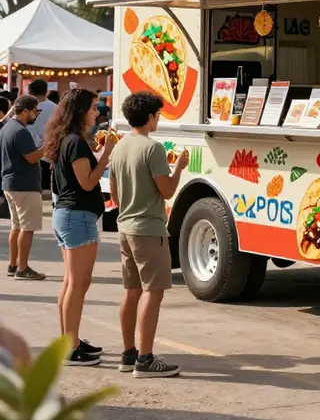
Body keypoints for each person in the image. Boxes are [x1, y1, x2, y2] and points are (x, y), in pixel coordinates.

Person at [110, 91, 187, 378]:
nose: (159, 119)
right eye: (158, 114)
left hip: (125, 227)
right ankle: (145, 358)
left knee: (131, 292)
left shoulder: (119, 147)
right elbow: (167, 191)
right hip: (149, 228)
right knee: (153, 294)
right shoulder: (152, 149)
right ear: (150, 116)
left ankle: (128, 353)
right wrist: (178, 168)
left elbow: (115, 195)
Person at [45, 88, 115, 365]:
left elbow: (79, 176)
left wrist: (98, 152)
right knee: (78, 283)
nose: (97, 112)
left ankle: (69, 340)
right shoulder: (75, 141)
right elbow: (87, 182)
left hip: (67, 213)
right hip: (77, 215)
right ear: (81, 111)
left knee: (71, 282)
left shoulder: (67, 139)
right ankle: (70, 344)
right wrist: (107, 154)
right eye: (94, 108)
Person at [1, 96, 47, 280]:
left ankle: (13, 264)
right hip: (24, 185)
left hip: (11, 183)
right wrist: (47, 146)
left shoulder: (7, 128)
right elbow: (32, 157)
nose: (36, 115)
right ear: (26, 110)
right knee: (27, 228)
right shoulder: (20, 131)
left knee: (17, 227)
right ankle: (23, 268)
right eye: (36, 111)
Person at [27, 80, 58, 193]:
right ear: (46, 91)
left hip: (27, 152)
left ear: (29, 91)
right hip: (48, 152)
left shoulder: (23, 108)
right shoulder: (55, 108)